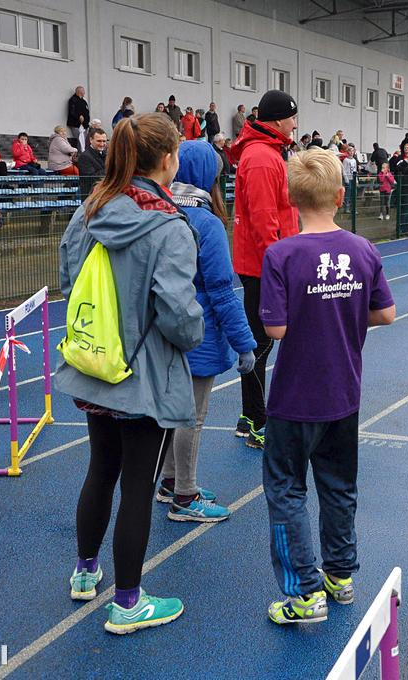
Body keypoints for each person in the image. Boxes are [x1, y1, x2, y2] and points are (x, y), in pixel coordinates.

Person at [57, 112, 204, 635]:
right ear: (168, 160)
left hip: (95, 362)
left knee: (101, 468)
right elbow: (179, 315)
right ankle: (128, 603)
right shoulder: (170, 226)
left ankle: (84, 572)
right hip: (144, 374)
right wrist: (194, 334)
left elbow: (69, 276)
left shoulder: (90, 209)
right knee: (138, 486)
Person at [259, 147, 395, 624]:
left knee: (286, 489)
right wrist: (344, 311)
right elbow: (386, 314)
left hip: (295, 397)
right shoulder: (363, 249)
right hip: (344, 392)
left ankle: (303, 593)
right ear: (340, 195)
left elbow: (275, 329)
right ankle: (341, 576)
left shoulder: (280, 254)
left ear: (291, 198)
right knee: (338, 486)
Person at [158, 140, 257, 522]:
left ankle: (169, 481)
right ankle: (185, 494)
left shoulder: (161, 212)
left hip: (163, 330)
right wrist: (244, 343)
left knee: (172, 414)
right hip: (197, 334)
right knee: (192, 417)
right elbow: (221, 292)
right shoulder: (207, 223)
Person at [230, 89, 299, 449]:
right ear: (277, 121)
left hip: (265, 262)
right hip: (263, 266)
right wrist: (280, 266)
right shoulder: (260, 157)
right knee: (259, 343)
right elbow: (262, 220)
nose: (295, 124)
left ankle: (250, 416)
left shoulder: (267, 152)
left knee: (262, 342)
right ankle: (255, 419)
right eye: (292, 117)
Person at [77, 127, 108, 198]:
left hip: (104, 195)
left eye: (104, 141)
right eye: (99, 141)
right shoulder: (84, 156)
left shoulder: (106, 154)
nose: (102, 144)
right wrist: (111, 169)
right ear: (91, 140)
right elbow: (91, 178)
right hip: (90, 197)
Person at [341, 144, 357, 214]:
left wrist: (356, 179)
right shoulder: (345, 160)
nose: (351, 152)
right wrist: (346, 178)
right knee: (348, 193)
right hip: (348, 178)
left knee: (353, 194)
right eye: (350, 151)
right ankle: (346, 208)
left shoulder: (354, 160)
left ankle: (353, 208)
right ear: (348, 152)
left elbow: (355, 169)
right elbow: (343, 169)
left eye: (353, 151)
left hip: (353, 178)